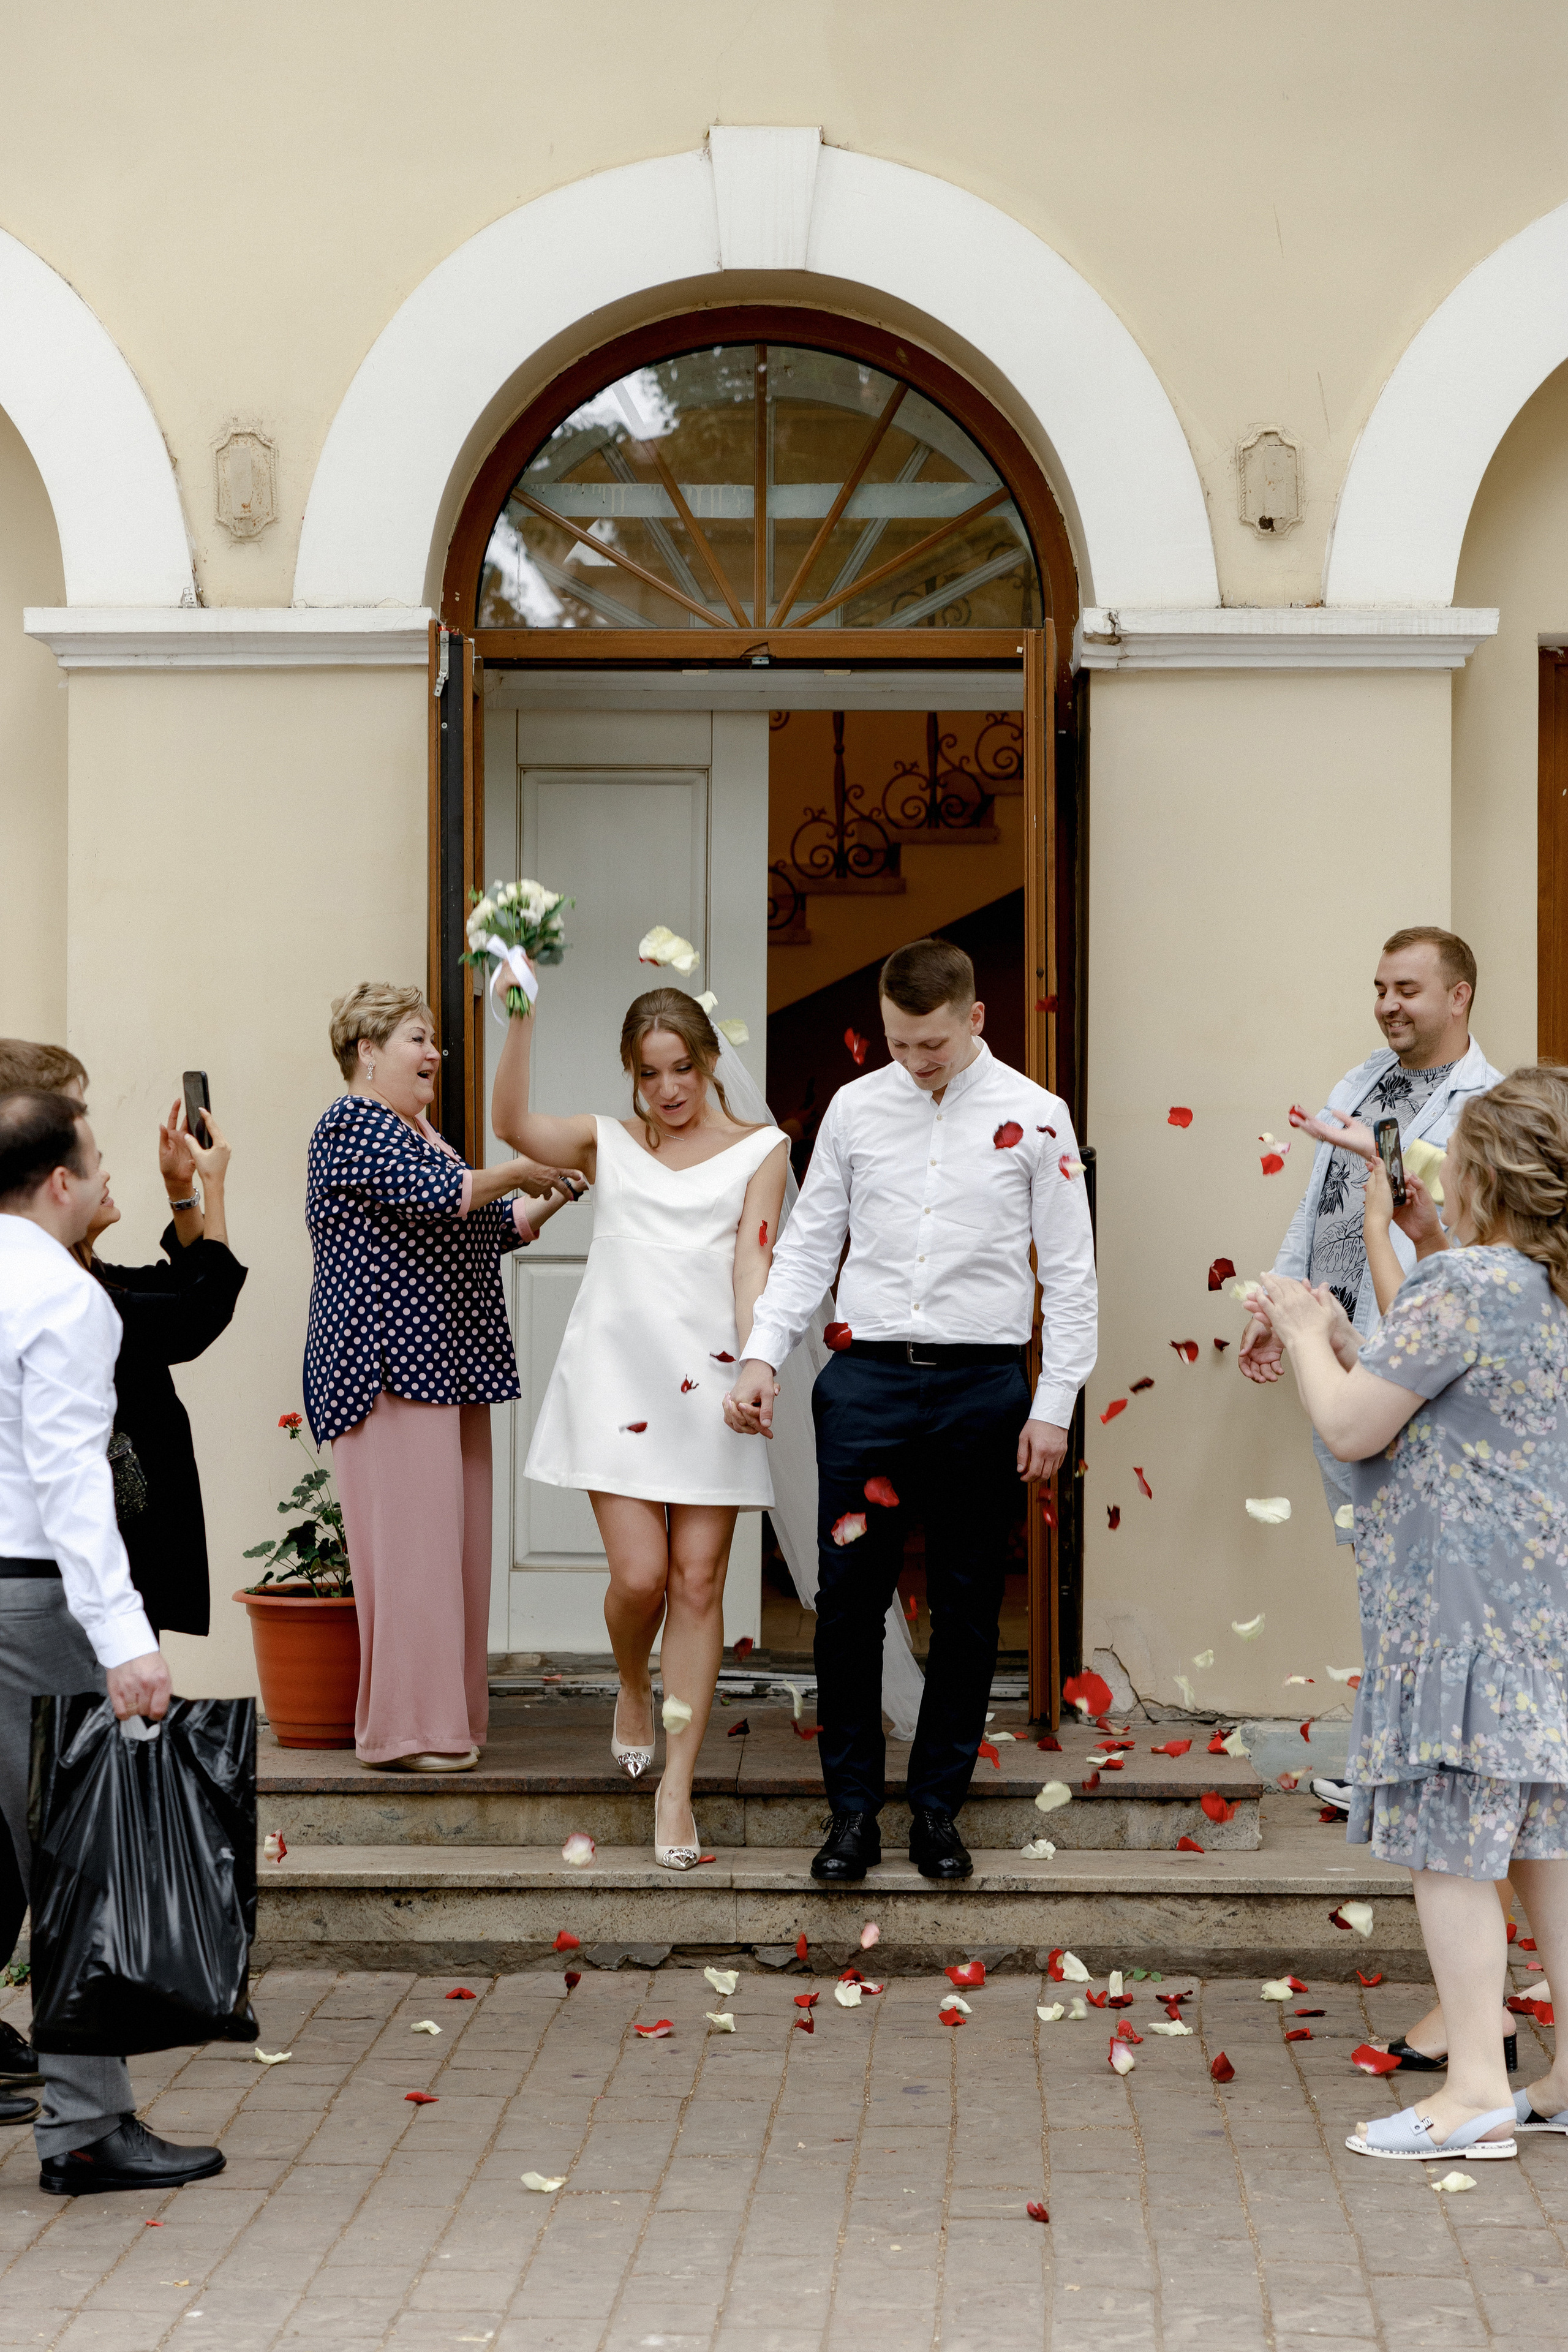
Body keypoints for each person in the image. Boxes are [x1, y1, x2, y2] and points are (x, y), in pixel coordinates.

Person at [725, 937, 1098, 1885]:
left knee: (971, 1610)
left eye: (929, 1045)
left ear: (975, 1019)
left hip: (983, 1386)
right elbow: (809, 1247)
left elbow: (1071, 1276)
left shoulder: (1037, 1116)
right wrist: (764, 1353)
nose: (914, 1062)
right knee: (847, 1606)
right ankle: (851, 1815)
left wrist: (1053, 1405)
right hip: (869, 1380)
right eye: (897, 1044)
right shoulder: (856, 1108)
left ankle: (937, 1809)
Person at [1256, 1066, 1568, 2163]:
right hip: (1543, 1611)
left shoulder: (1465, 1287)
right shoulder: (1539, 1283)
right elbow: (1440, 1387)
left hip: (1456, 1619)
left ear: (1488, 1171)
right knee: (1542, 1842)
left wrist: (1304, 1324)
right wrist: (1420, 1255)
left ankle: (1475, 2088)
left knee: (1452, 1846)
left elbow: (1351, 1426)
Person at [491, 984, 788, 1869]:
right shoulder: (603, 1141)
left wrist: (752, 1365)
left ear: (707, 1061)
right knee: (643, 1575)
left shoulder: (761, 1150)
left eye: (682, 1069)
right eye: (651, 1073)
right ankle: (631, 1680)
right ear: (633, 1073)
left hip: (712, 1386)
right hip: (616, 1379)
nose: (668, 1089)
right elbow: (510, 1125)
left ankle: (677, 1788)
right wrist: (521, 1018)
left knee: (699, 1584)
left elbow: (753, 1260)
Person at [0, 1089, 225, 2192]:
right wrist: (128, 1640)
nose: (103, 1177)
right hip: (29, 1603)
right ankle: (85, 2128)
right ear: (60, 1183)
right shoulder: (64, 1296)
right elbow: (69, 1487)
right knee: (74, 1862)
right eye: (94, 1161)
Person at [304, 984, 578, 1773]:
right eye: (418, 1040)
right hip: (387, 1370)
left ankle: (446, 1721)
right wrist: (518, 1167)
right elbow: (444, 1196)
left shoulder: (418, 1131)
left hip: (447, 1369)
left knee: (455, 1555)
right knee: (412, 1558)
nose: (435, 1055)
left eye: (435, 1043)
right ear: (366, 1050)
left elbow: (485, 1226)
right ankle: (403, 1733)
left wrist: (548, 1196)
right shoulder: (349, 1123)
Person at [1240, 925, 1502, 1549]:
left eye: (1406, 990)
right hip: (1334, 1346)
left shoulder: (1489, 1104)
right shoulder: (1358, 1083)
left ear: (1458, 996)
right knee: (1368, 1549)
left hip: (1412, 1354)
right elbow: (1317, 1205)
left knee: (1429, 1546)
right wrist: (1280, 1304)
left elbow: (1437, 1205)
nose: (1387, 1005)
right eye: (1381, 989)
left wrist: (1378, 1146)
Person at [1, 1044, 247, 1638]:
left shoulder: (78, 1274)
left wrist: (180, 1190)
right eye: (73, 1114)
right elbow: (193, 1315)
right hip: (83, 1565)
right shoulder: (61, 1287)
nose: (98, 1163)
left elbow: (178, 1287)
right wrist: (211, 1192)